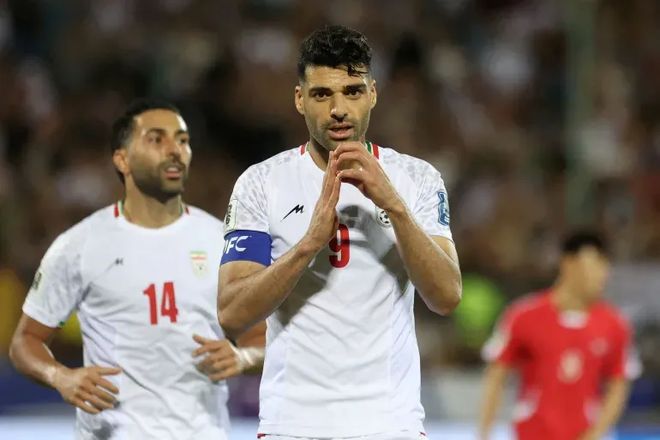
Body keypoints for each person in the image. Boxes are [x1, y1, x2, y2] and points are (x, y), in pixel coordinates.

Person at [218, 25, 462, 439]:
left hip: (389, 424)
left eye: (352, 91)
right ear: (300, 99)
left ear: (372, 94)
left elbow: (447, 296)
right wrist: (308, 245)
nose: (338, 109)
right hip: (292, 425)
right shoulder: (261, 183)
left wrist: (394, 206)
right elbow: (232, 313)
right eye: (321, 94)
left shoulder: (417, 179)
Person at [9, 99, 264, 440]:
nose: (175, 150)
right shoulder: (80, 245)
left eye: (182, 140)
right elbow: (25, 342)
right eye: (156, 139)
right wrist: (61, 377)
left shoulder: (220, 241)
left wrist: (243, 357)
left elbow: (260, 339)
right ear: (122, 159)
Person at [478, 231, 641, 440]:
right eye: (592, 265)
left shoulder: (615, 325)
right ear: (568, 264)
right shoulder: (523, 316)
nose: (601, 275)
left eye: (604, 266)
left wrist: (595, 433)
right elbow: (496, 375)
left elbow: (618, 385)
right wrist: (484, 433)